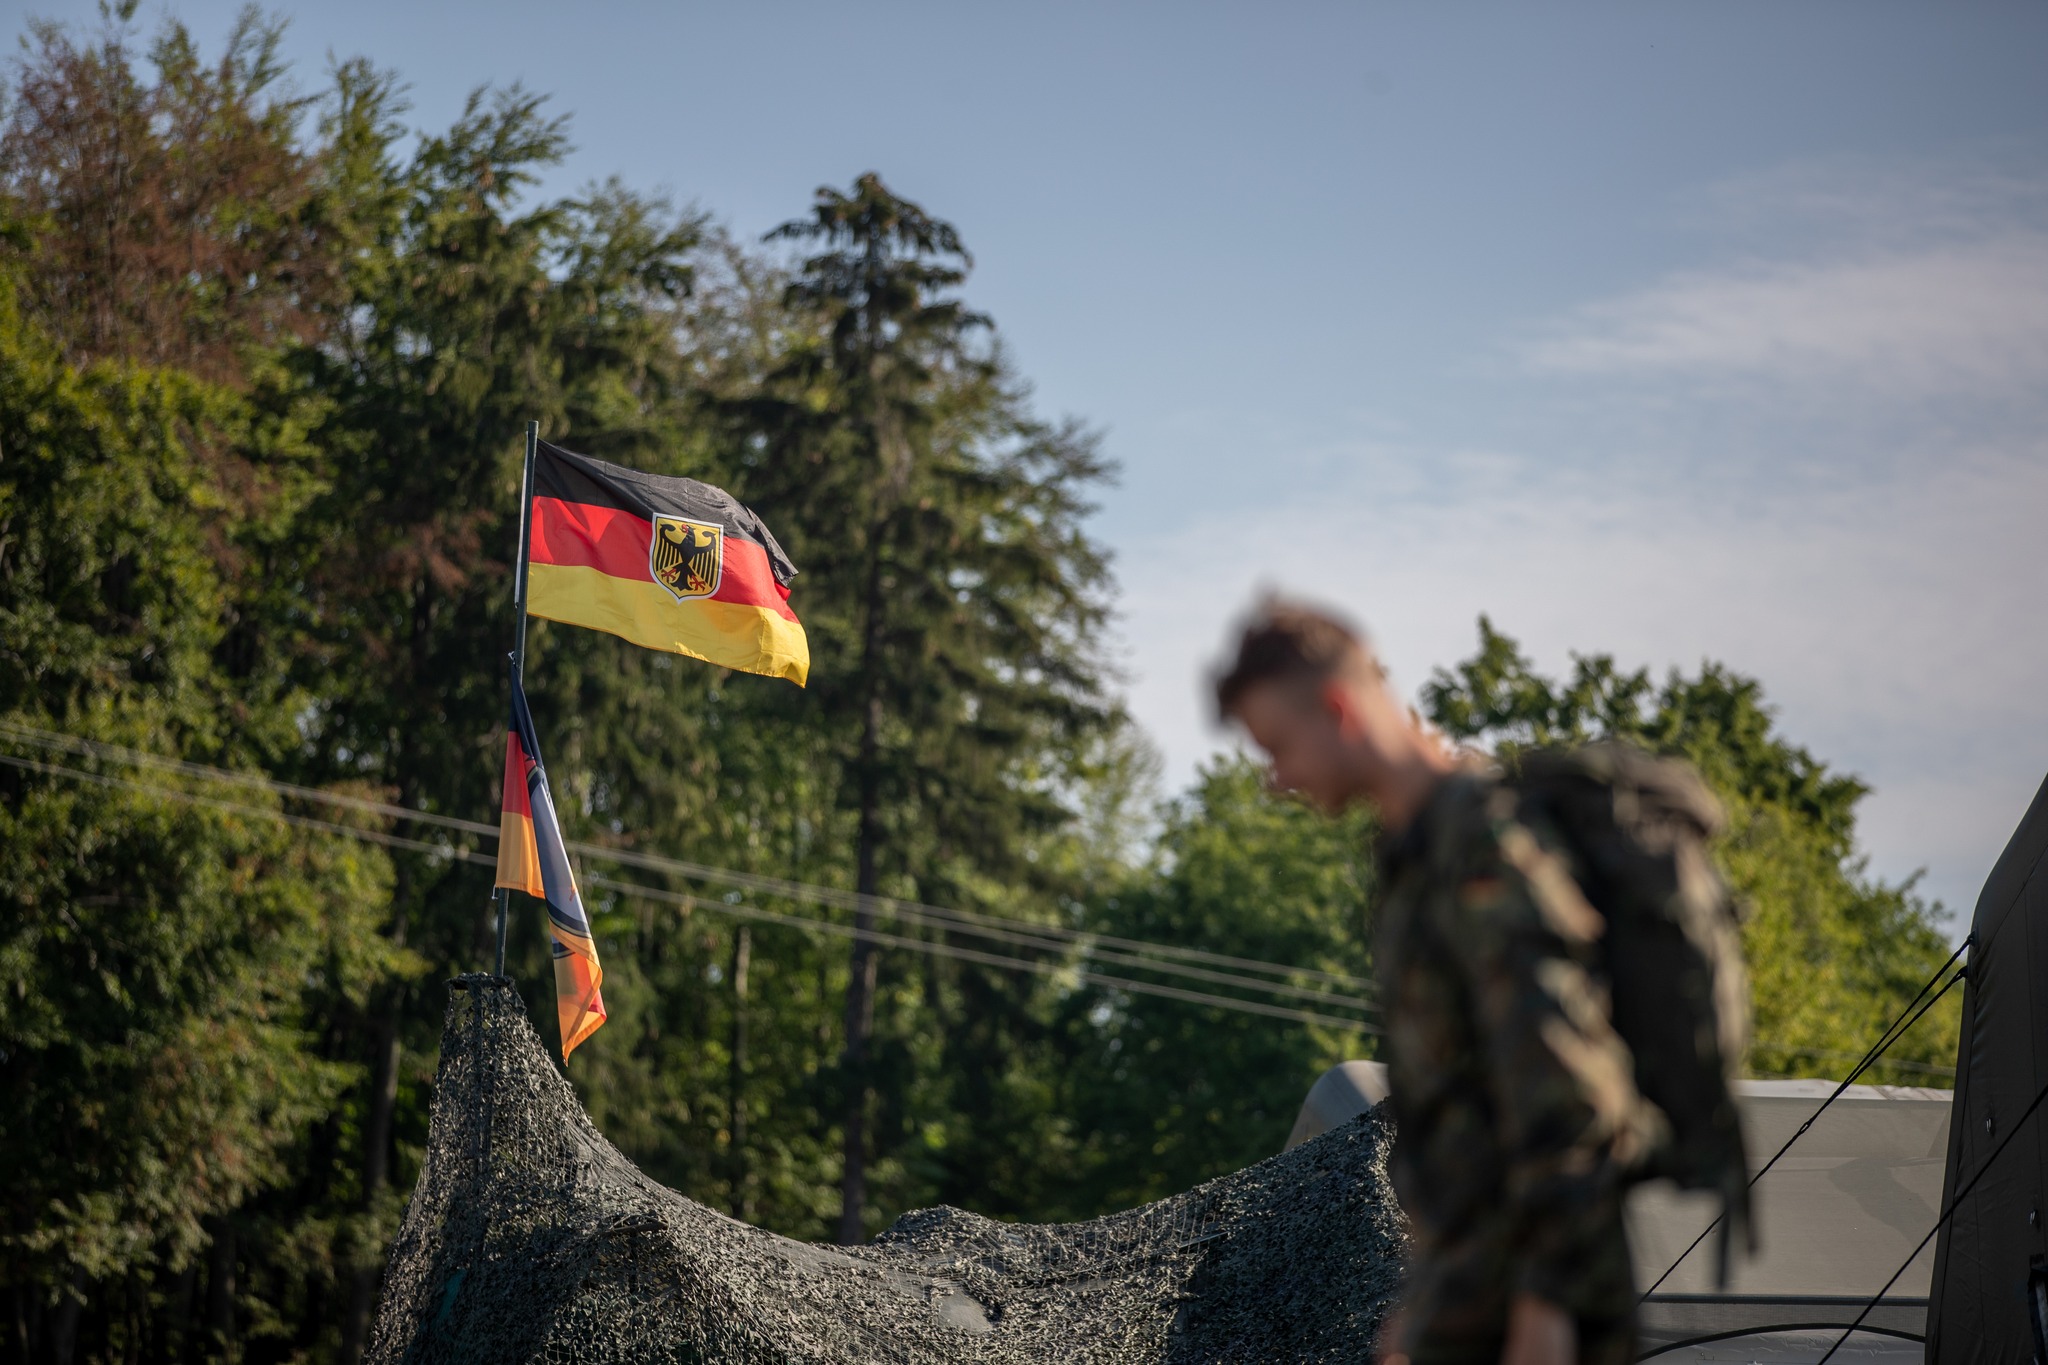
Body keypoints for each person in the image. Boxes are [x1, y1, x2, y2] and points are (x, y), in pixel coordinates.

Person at [1214, 599, 1665, 1365]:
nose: (1275, 777)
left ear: (1336, 707)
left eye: (1279, 745)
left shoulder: (1483, 842)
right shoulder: (1412, 853)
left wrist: (1541, 1320)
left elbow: (1571, 1100)